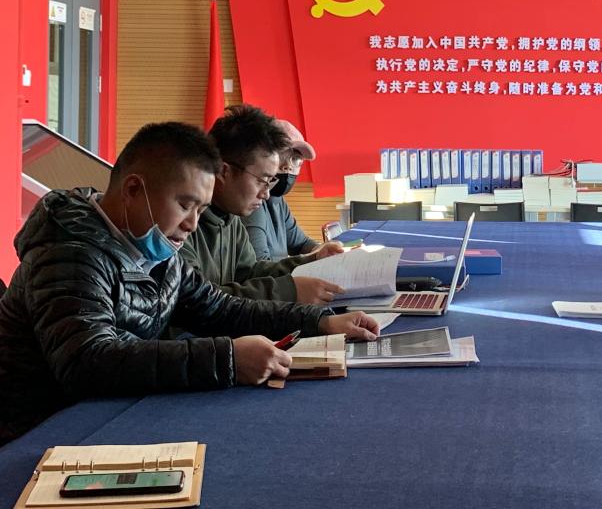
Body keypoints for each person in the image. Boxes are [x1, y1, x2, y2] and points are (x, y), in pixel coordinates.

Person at [0, 121, 378, 444]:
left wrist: (320, 323)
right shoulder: (69, 253)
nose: (192, 224)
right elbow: (87, 362)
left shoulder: (155, 248)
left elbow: (220, 309)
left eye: (201, 209)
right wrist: (228, 359)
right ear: (132, 189)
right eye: (184, 205)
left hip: (108, 412)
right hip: (37, 432)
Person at [180, 105, 343, 305]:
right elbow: (200, 301)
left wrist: (313, 260)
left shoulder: (230, 218)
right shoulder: (181, 225)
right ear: (224, 172)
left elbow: (250, 273)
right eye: (261, 180)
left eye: (270, 181)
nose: (266, 194)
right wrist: (289, 291)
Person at [242, 119, 323, 261]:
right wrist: (312, 259)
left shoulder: (278, 200)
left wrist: (323, 250)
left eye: (296, 159)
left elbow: (301, 243)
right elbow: (260, 265)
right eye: (282, 155)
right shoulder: (252, 202)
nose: (288, 166)